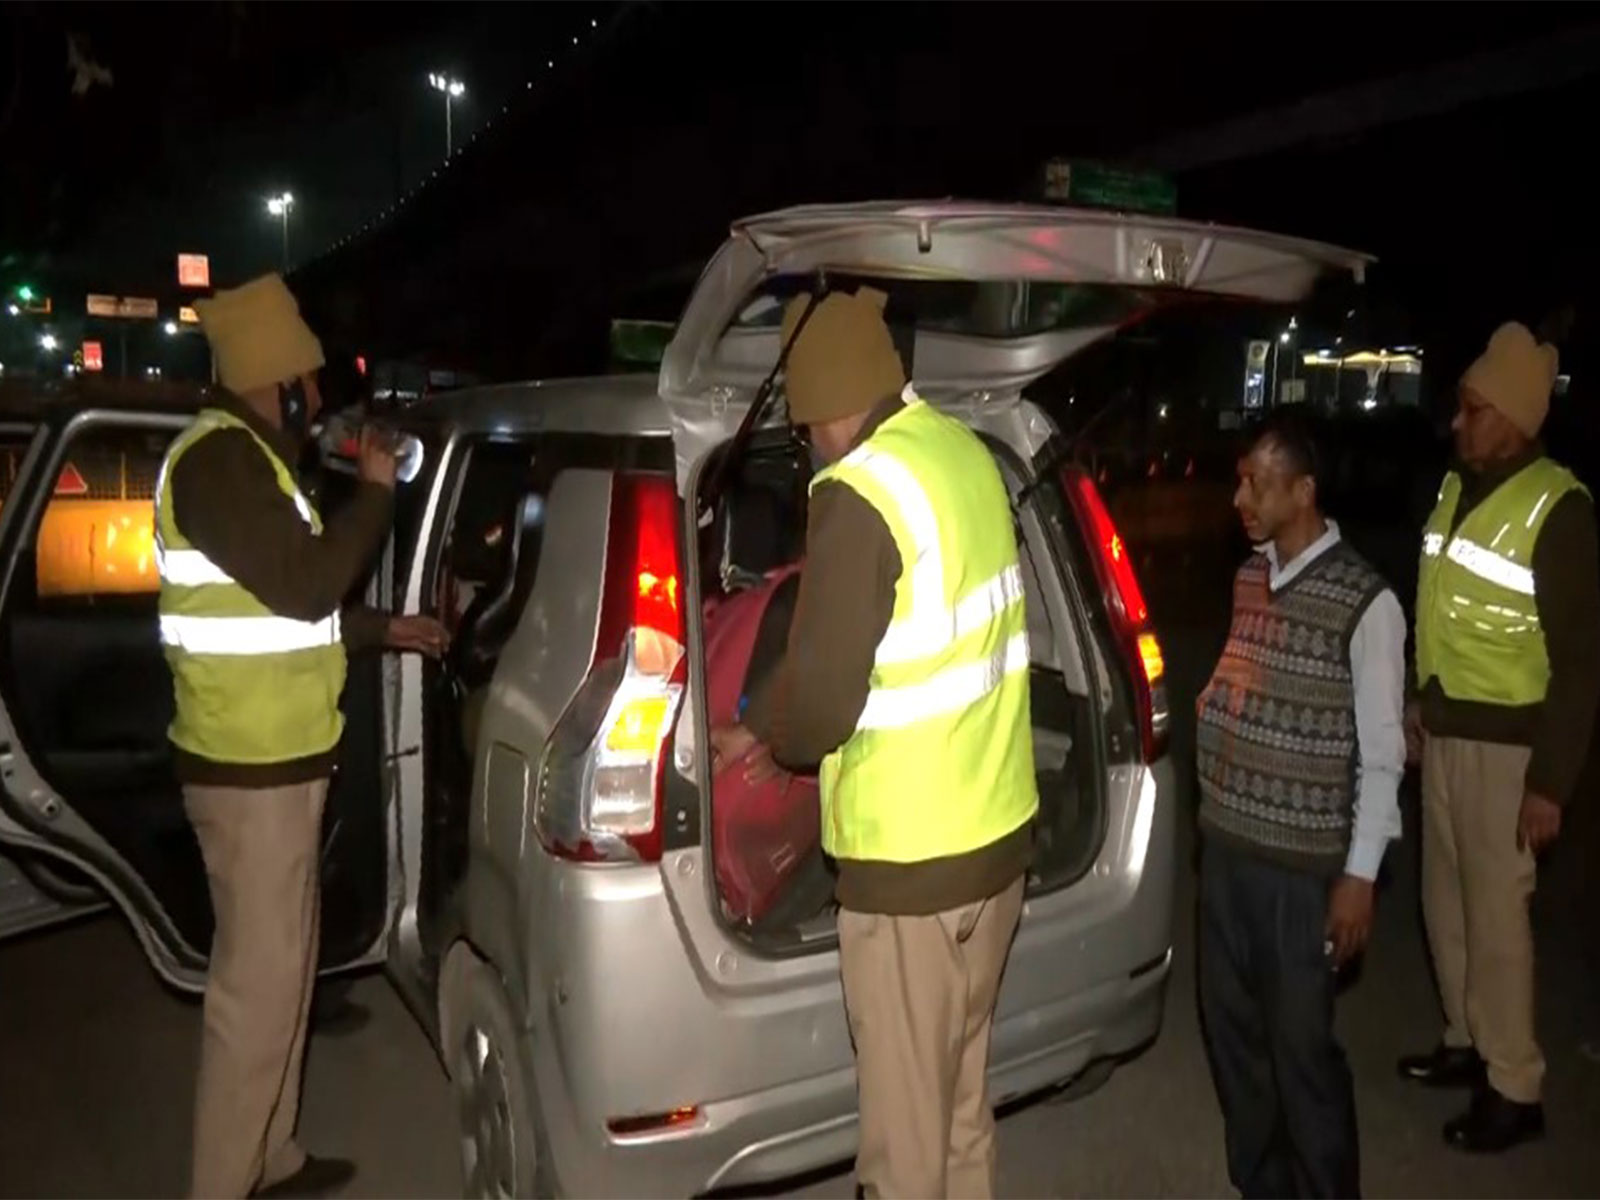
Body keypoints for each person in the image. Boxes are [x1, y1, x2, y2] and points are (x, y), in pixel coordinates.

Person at [709, 287, 1038, 1199]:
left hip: (909, 874)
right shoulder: (962, 455)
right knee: (959, 1109)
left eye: (803, 421)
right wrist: (767, 714)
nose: (805, 438)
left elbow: (818, 708)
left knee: (900, 1151)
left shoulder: (860, 490)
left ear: (819, 405)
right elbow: (896, 637)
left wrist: (763, 736)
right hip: (996, 846)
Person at [162, 274, 447, 1199]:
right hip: (249, 776)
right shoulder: (217, 466)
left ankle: (272, 1154)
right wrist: (372, 492)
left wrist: (385, 630)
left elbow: (299, 607)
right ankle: (220, 1183)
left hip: (279, 762)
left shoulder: (255, 465)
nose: (318, 400)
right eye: (309, 382)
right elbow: (307, 585)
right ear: (274, 381)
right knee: (254, 998)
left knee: (285, 977)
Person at [1399, 322, 1600, 1152]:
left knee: (1496, 921)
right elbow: (1438, 609)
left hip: (1509, 754)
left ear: (1513, 418)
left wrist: (1549, 782)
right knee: (1444, 906)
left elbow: (1582, 662)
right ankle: (1465, 1041)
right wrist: (1417, 701)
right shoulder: (1457, 489)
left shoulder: (1559, 508)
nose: (1459, 422)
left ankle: (1514, 1086)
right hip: (1447, 734)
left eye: (1474, 410)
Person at [1196, 411, 1405, 1198]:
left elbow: (1383, 753)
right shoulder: (1250, 576)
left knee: (1301, 1055)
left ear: (1305, 490)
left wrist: (1359, 876)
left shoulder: (1366, 601)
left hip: (1301, 875)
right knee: (1235, 1044)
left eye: (1259, 481)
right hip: (1226, 854)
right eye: (1241, 478)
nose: (1240, 496)